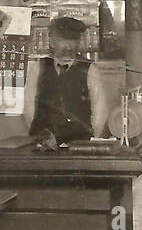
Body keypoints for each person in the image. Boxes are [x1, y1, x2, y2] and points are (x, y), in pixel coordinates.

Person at [22, 16, 110, 145]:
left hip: (78, 144)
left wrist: (88, 141)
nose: (69, 46)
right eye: (63, 40)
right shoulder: (39, 67)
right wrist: (41, 136)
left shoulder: (90, 69)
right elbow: (28, 108)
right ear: (52, 42)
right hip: (43, 144)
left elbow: (100, 113)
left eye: (73, 40)